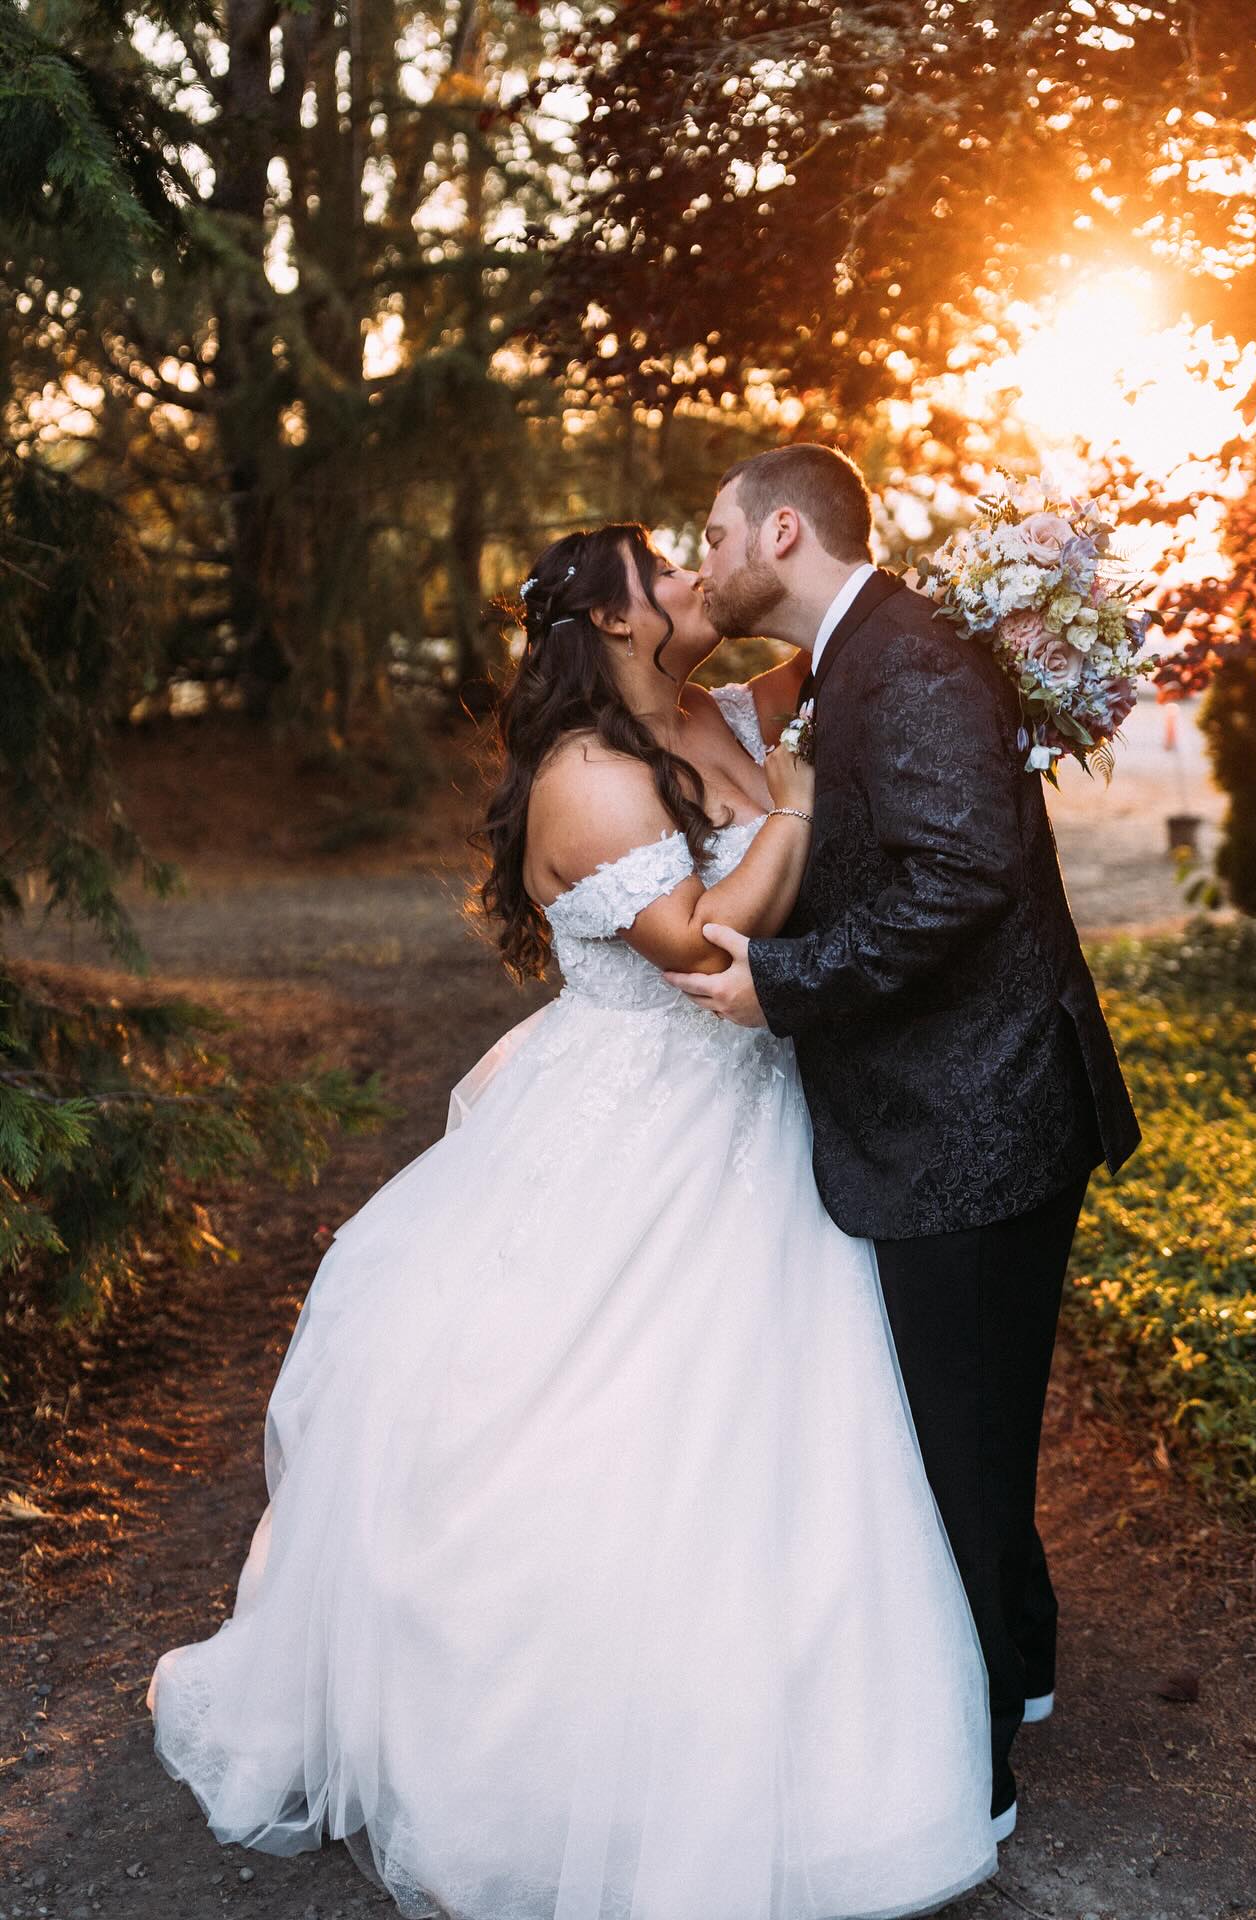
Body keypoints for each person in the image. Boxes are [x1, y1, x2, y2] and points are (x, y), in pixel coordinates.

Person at [146, 521, 999, 1920]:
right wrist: (790, 804)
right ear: (608, 622)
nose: (691, 580)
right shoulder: (588, 782)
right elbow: (708, 942)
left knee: (798, 1428)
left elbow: (853, 656)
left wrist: (1006, 592)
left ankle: (829, 1753)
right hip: (642, 1117)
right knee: (618, 1431)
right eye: (666, 570)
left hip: (769, 1118)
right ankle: (568, 1766)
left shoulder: (718, 709)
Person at [667, 446, 1144, 1840]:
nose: (707, 563)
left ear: (785, 528)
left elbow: (963, 882)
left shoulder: (911, 665)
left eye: (715, 535)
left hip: (977, 1111)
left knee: (957, 1443)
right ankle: (1030, 1663)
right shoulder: (853, 657)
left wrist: (786, 985)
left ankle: (970, 1765)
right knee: (975, 1420)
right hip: (962, 1099)